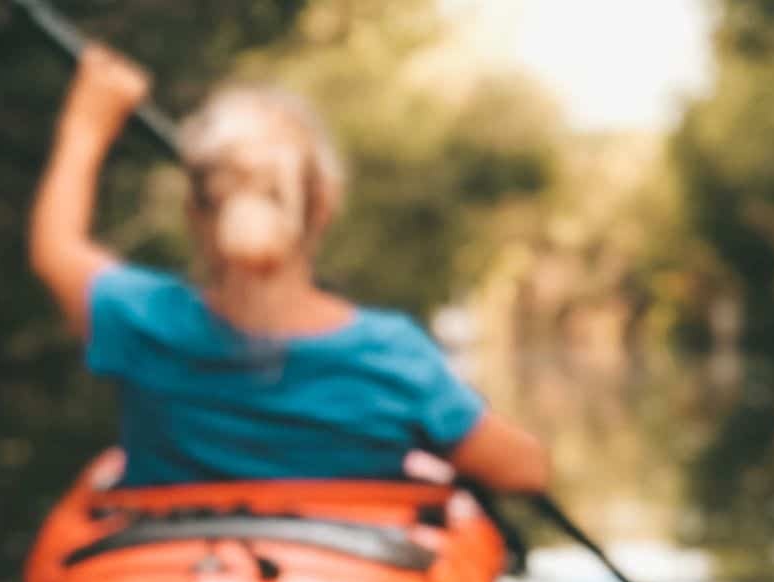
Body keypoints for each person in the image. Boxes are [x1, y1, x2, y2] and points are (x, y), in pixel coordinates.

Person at [28, 45, 551, 493]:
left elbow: (56, 248)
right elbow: (524, 471)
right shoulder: (392, 359)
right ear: (323, 207)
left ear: (194, 213)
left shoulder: (143, 321)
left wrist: (87, 124)